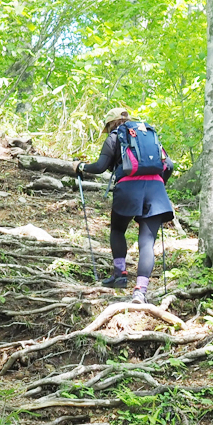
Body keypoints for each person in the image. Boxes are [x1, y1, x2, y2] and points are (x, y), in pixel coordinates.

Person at [76, 106, 174, 303]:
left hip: (128, 189)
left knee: (118, 229)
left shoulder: (115, 137)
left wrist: (80, 166)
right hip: (156, 189)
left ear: (111, 123)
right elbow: (169, 165)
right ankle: (140, 291)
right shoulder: (147, 133)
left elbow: (100, 167)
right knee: (147, 241)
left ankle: (120, 275)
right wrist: (158, 183)